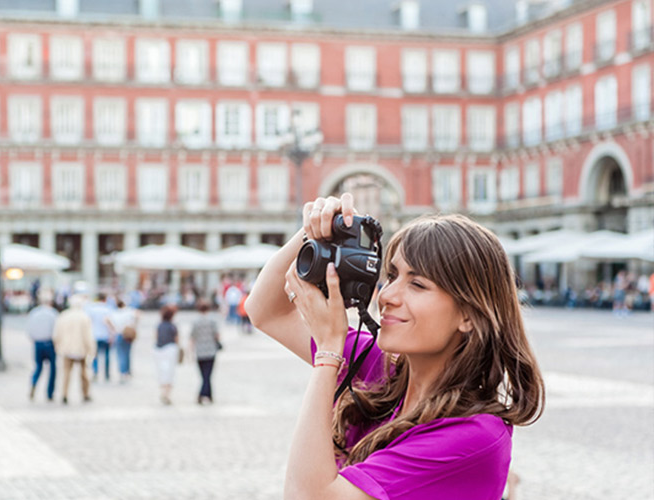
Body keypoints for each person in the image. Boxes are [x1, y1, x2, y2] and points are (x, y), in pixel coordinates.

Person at [246, 193, 545, 500]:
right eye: (392, 276)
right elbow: (266, 310)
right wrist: (316, 230)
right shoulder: (382, 370)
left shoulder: (475, 436)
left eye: (417, 284)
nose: (387, 295)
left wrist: (328, 355)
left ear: (469, 315)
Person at [53, 295, 95, 404]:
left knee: (66, 373)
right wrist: (91, 349)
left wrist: (58, 346)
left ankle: (64, 394)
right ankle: (85, 393)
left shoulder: (63, 316)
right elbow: (88, 336)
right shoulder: (84, 317)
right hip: (81, 349)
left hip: (67, 349)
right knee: (84, 373)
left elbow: (57, 333)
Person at [27, 290, 59, 402]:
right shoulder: (53, 313)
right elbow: (56, 331)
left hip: (38, 343)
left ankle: (34, 383)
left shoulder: (33, 313)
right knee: (53, 369)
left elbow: (30, 331)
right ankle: (50, 393)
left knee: (38, 367)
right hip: (50, 343)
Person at [189, 299, 221, 404]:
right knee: (208, 375)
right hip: (211, 350)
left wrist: (191, 351)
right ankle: (206, 394)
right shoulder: (212, 321)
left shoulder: (196, 322)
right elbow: (217, 335)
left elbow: (192, 338)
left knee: (204, 375)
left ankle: (205, 394)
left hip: (200, 351)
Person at [107, 297, 138, 383]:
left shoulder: (115, 313)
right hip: (127, 334)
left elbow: (107, 320)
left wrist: (113, 330)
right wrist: (134, 326)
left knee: (120, 354)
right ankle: (127, 371)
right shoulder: (129, 312)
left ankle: (122, 372)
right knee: (127, 353)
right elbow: (137, 315)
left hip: (119, 334)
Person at [154, 304, 180, 405]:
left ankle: (163, 392)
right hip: (170, 350)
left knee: (162, 372)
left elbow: (155, 337)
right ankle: (166, 393)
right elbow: (177, 339)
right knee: (169, 373)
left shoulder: (159, 325)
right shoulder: (173, 326)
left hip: (159, 350)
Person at [87, 293, 113, 382]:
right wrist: (112, 334)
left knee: (94, 355)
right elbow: (110, 323)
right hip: (105, 335)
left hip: (95, 335)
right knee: (106, 355)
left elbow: (89, 322)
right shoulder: (107, 309)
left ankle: (95, 371)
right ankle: (106, 373)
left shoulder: (92, 309)